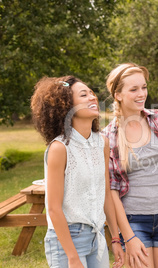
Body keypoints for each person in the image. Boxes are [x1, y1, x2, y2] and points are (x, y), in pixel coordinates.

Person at [30, 76, 124, 268]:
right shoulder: (59, 148)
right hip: (67, 240)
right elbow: (54, 208)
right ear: (66, 106)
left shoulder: (102, 143)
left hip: (96, 237)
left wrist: (115, 238)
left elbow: (105, 193)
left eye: (92, 93)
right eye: (84, 95)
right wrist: (72, 256)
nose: (92, 98)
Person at [102, 63, 158, 268]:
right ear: (118, 95)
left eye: (144, 87)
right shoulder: (108, 135)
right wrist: (127, 237)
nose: (142, 94)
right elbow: (111, 192)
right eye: (134, 89)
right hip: (134, 221)